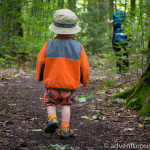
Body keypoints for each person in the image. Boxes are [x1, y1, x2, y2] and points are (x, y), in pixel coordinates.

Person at [36, 9, 89, 139]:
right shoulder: (79, 47)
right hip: (68, 86)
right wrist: (84, 81)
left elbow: (40, 63)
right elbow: (84, 67)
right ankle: (65, 129)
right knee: (66, 105)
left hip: (51, 85)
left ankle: (52, 119)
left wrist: (39, 77)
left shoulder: (48, 45)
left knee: (50, 103)